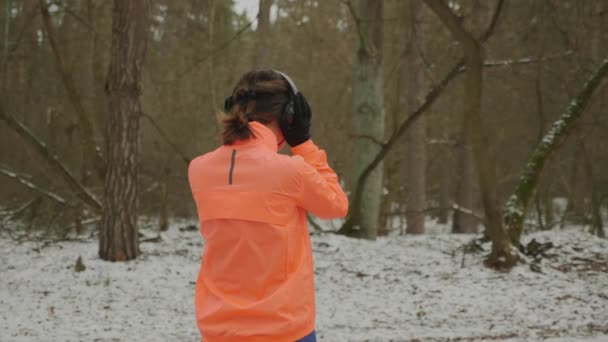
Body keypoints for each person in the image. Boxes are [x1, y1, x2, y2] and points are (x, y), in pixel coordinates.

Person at [188, 70, 349, 342]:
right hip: (284, 329)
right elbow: (336, 205)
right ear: (290, 116)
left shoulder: (198, 169)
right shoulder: (291, 171)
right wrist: (303, 144)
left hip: (219, 330)